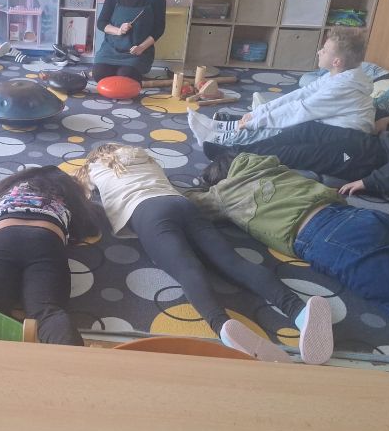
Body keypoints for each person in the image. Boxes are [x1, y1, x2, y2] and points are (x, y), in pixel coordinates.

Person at [189, 152, 389, 358]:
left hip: (329, 240)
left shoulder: (223, 194)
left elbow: (187, 205)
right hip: (362, 217)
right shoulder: (270, 165)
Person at [75, 144, 333, 363]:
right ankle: (298, 310)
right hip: (181, 203)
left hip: (145, 213)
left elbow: (79, 191)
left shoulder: (94, 168)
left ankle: (222, 325)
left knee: (187, 269)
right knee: (232, 261)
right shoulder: (142, 155)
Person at [203, 110, 389, 198]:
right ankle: (238, 150)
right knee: (307, 129)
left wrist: (370, 181)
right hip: (373, 145)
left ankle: (233, 162)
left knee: (300, 153)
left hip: (371, 161)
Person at [0, 166, 99, 346]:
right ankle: (74, 362)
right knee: (47, 312)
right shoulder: (65, 194)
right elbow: (90, 225)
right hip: (46, 239)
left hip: (3, 238)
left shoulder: (4, 190)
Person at [188, 27, 374, 146]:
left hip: (345, 138)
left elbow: (300, 110)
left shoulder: (342, 87)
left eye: (324, 50)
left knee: (287, 126)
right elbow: (301, 94)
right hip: (329, 126)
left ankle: (220, 139)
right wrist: (259, 112)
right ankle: (222, 127)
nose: (319, 52)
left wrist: (255, 122)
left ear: (337, 62)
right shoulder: (336, 76)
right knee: (275, 117)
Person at [93, 0, 166, 83]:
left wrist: (141, 47)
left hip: (138, 52)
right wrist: (118, 30)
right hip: (111, 50)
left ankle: (129, 76)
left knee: (125, 77)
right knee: (99, 75)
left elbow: (159, 29)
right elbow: (101, 23)